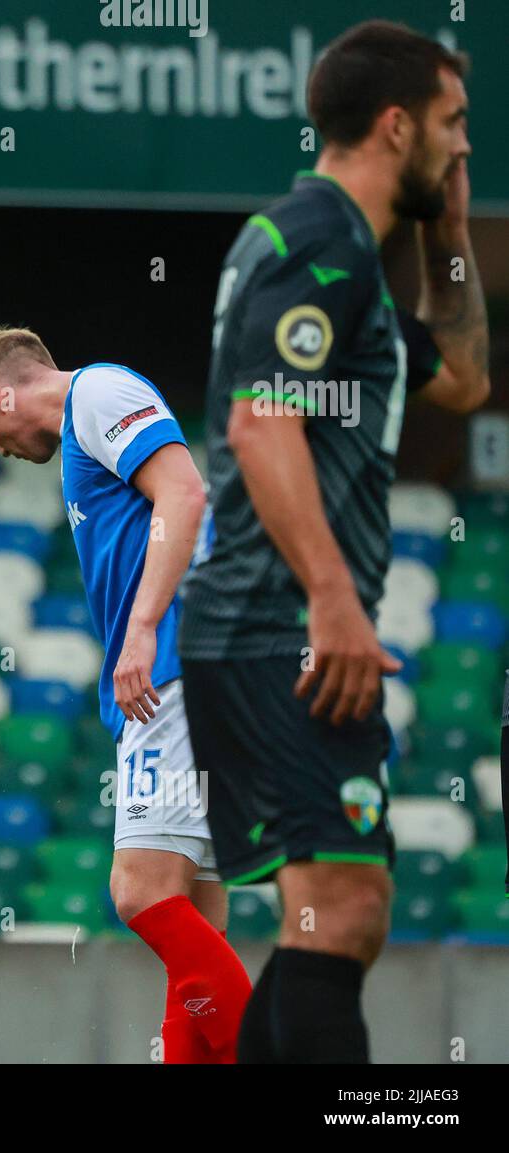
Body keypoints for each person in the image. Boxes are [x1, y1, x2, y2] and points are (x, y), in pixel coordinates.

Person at [179, 20, 489, 1063]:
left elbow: (459, 377)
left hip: (262, 629)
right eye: (450, 127)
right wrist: (332, 597)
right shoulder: (316, 240)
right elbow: (260, 421)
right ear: (395, 124)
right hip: (280, 627)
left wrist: (448, 227)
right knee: (341, 911)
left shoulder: (346, 253)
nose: (463, 147)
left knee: (328, 919)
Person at [0, 327, 252, 1062]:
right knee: (197, 927)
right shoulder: (88, 429)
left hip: (180, 668)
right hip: (207, 671)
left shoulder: (98, 393)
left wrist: (144, 626)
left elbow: (184, 493)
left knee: (141, 895)